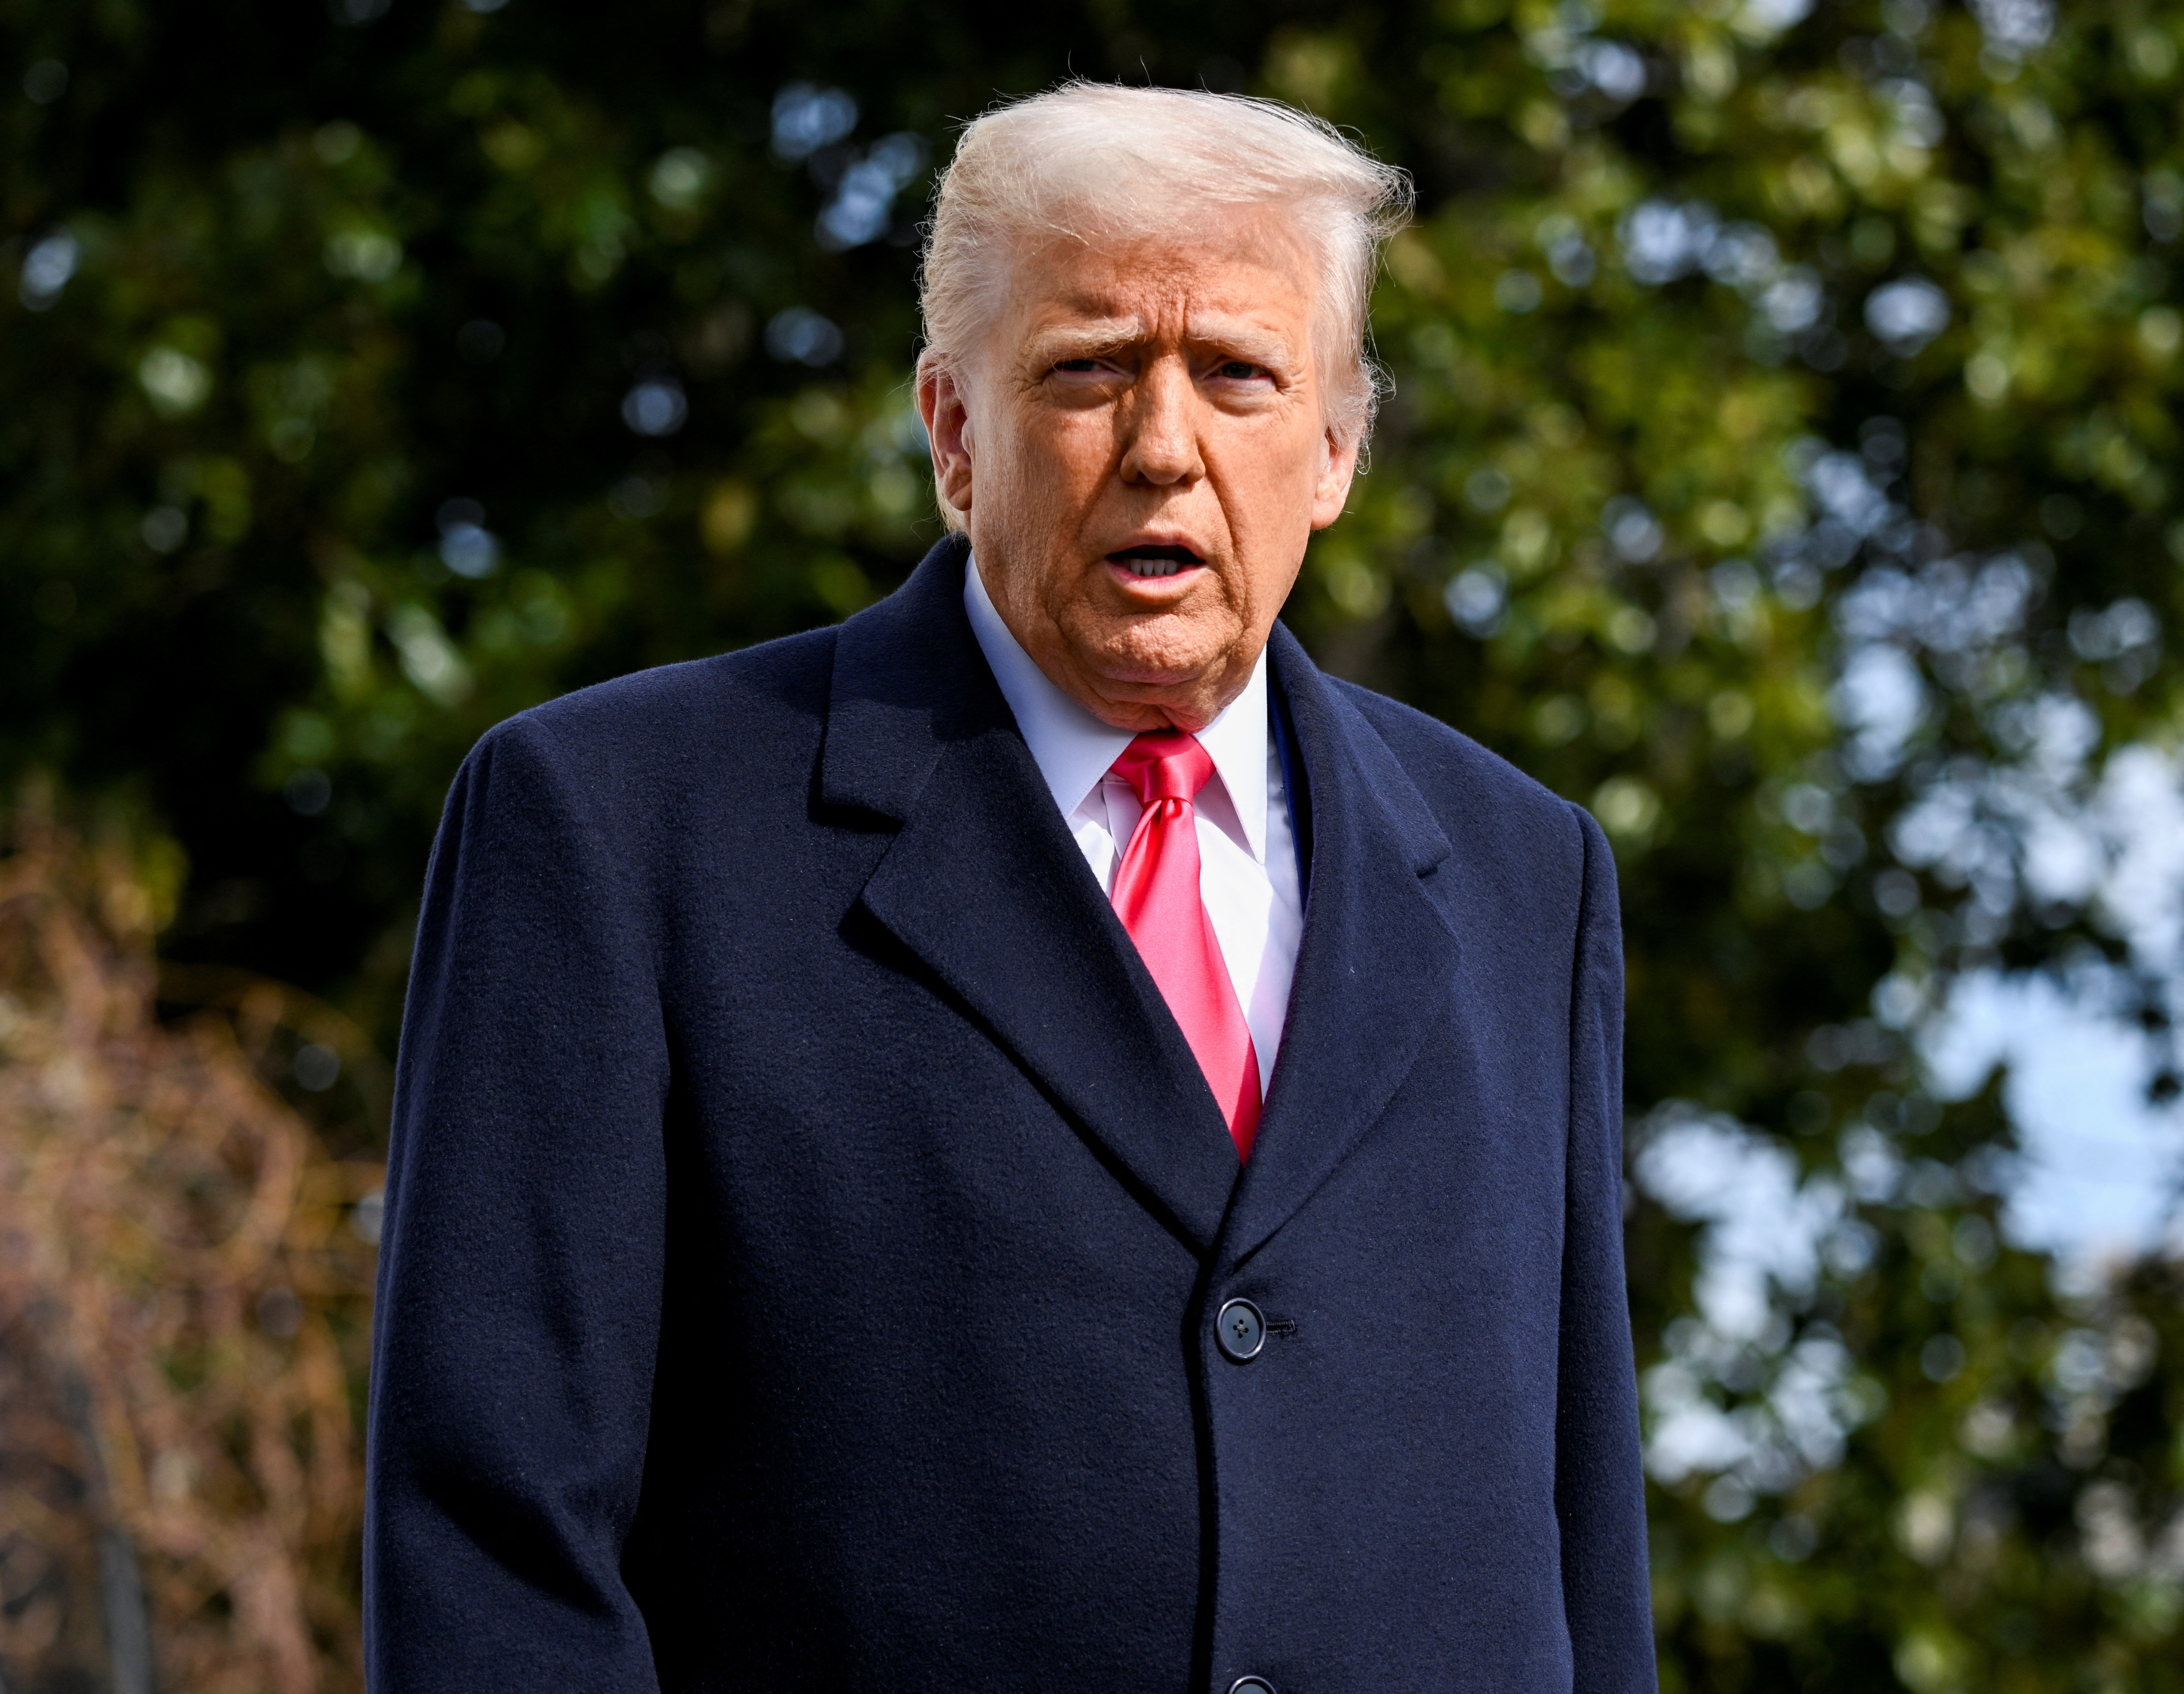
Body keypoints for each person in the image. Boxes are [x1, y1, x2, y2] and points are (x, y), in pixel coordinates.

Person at [364, 82, 1655, 1694]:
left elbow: (1584, 1549)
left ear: (1334, 452)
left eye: (1238, 376)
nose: (1165, 448)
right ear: (955, 433)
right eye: (1089, 370)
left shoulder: (1531, 873)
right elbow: (496, 1555)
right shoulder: (616, 828)